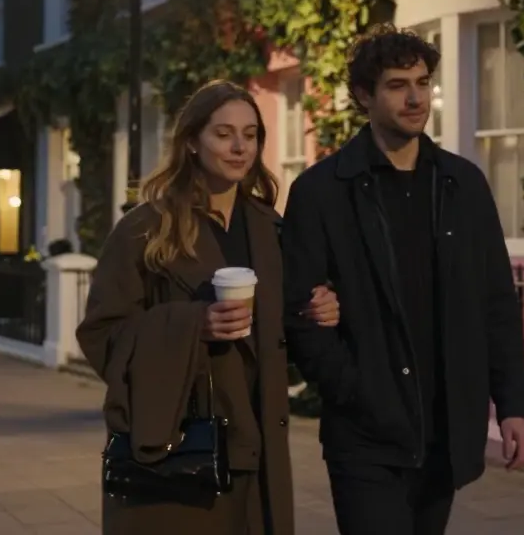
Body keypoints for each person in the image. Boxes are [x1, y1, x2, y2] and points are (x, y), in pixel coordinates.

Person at [282, 25, 524, 534]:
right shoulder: (321, 192)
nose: (417, 97)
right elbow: (301, 313)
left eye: (422, 82)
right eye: (398, 85)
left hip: (445, 429)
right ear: (363, 95)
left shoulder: (462, 183)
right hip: (365, 435)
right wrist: (355, 391)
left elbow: (495, 303)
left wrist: (513, 407)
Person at [78, 80, 339, 535]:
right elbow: (101, 335)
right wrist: (192, 324)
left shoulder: (271, 228)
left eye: (251, 134)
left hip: (258, 448)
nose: (240, 147)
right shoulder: (145, 231)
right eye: (223, 134)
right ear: (193, 142)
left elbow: (282, 336)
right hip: (178, 449)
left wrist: (319, 310)